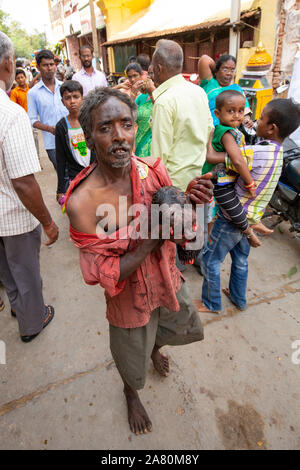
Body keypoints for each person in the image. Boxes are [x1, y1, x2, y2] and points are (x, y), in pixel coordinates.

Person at [64, 87, 213, 435]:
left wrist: (189, 203)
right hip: (128, 301)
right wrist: (148, 240)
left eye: (126, 124)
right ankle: (131, 391)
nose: (119, 137)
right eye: (105, 128)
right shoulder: (82, 202)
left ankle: (155, 350)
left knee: (167, 329)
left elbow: (184, 236)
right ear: (88, 136)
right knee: (130, 357)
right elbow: (103, 275)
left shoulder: (151, 172)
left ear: (135, 128)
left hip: (165, 280)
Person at [197, 98, 300, 314]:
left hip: (232, 217)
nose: (255, 120)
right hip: (252, 215)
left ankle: (211, 303)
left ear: (271, 128)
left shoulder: (256, 153)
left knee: (210, 259)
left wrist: (209, 138)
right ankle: (238, 298)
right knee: (240, 258)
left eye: (261, 118)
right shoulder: (278, 153)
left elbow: (213, 157)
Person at [0, 32, 59, 343]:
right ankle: (32, 322)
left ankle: (17, 307)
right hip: (12, 215)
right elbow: (23, 181)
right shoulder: (10, 113)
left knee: (8, 272)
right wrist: (48, 222)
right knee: (26, 272)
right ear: (8, 63)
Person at [202, 89, 268, 248]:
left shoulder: (233, 131)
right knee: (230, 209)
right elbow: (238, 160)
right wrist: (250, 182)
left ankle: (253, 222)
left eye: (240, 110)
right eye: (230, 111)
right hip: (219, 182)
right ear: (217, 114)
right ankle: (248, 232)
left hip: (226, 178)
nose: (237, 115)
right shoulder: (227, 133)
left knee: (232, 206)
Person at [151, 39, 213, 192]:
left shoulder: (164, 102)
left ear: (158, 68)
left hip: (173, 185)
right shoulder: (199, 91)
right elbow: (209, 130)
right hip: (198, 181)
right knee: (195, 216)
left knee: (171, 217)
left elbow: (159, 156)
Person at [55, 80, 96, 205]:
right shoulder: (61, 127)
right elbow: (60, 159)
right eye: (67, 98)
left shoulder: (91, 120)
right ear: (62, 102)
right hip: (76, 174)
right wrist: (61, 189)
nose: (72, 101)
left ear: (82, 98)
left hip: (95, 170)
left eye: (76, 97)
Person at [27, 49, 68, 171]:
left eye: (51, 64)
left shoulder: (65, 87)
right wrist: (50, 129)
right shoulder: (33, 93)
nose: (49, 68)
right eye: (45, 65)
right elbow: (32, 120)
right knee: (64, 177)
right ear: (39, 68)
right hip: (53, 143)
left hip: (73, 139)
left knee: (79, 176)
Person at [198, 53, 251, 126]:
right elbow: (205, 59)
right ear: (216, 71)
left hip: (230, 130)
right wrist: (215, 71)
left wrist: (247, 120)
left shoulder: (237, 89)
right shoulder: (209, 83)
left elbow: (245, 112)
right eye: (225, 69)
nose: (229, 73)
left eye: (232, 70)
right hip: (207, 129)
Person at [134, 65, 155, 157]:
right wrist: (132, 94)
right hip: (140, 141)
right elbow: (129, 116)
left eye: (153, 73)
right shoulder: (142, 97)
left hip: (154, 145)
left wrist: (152, 93)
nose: (149, 76)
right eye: (149, 73)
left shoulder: (164, 95)